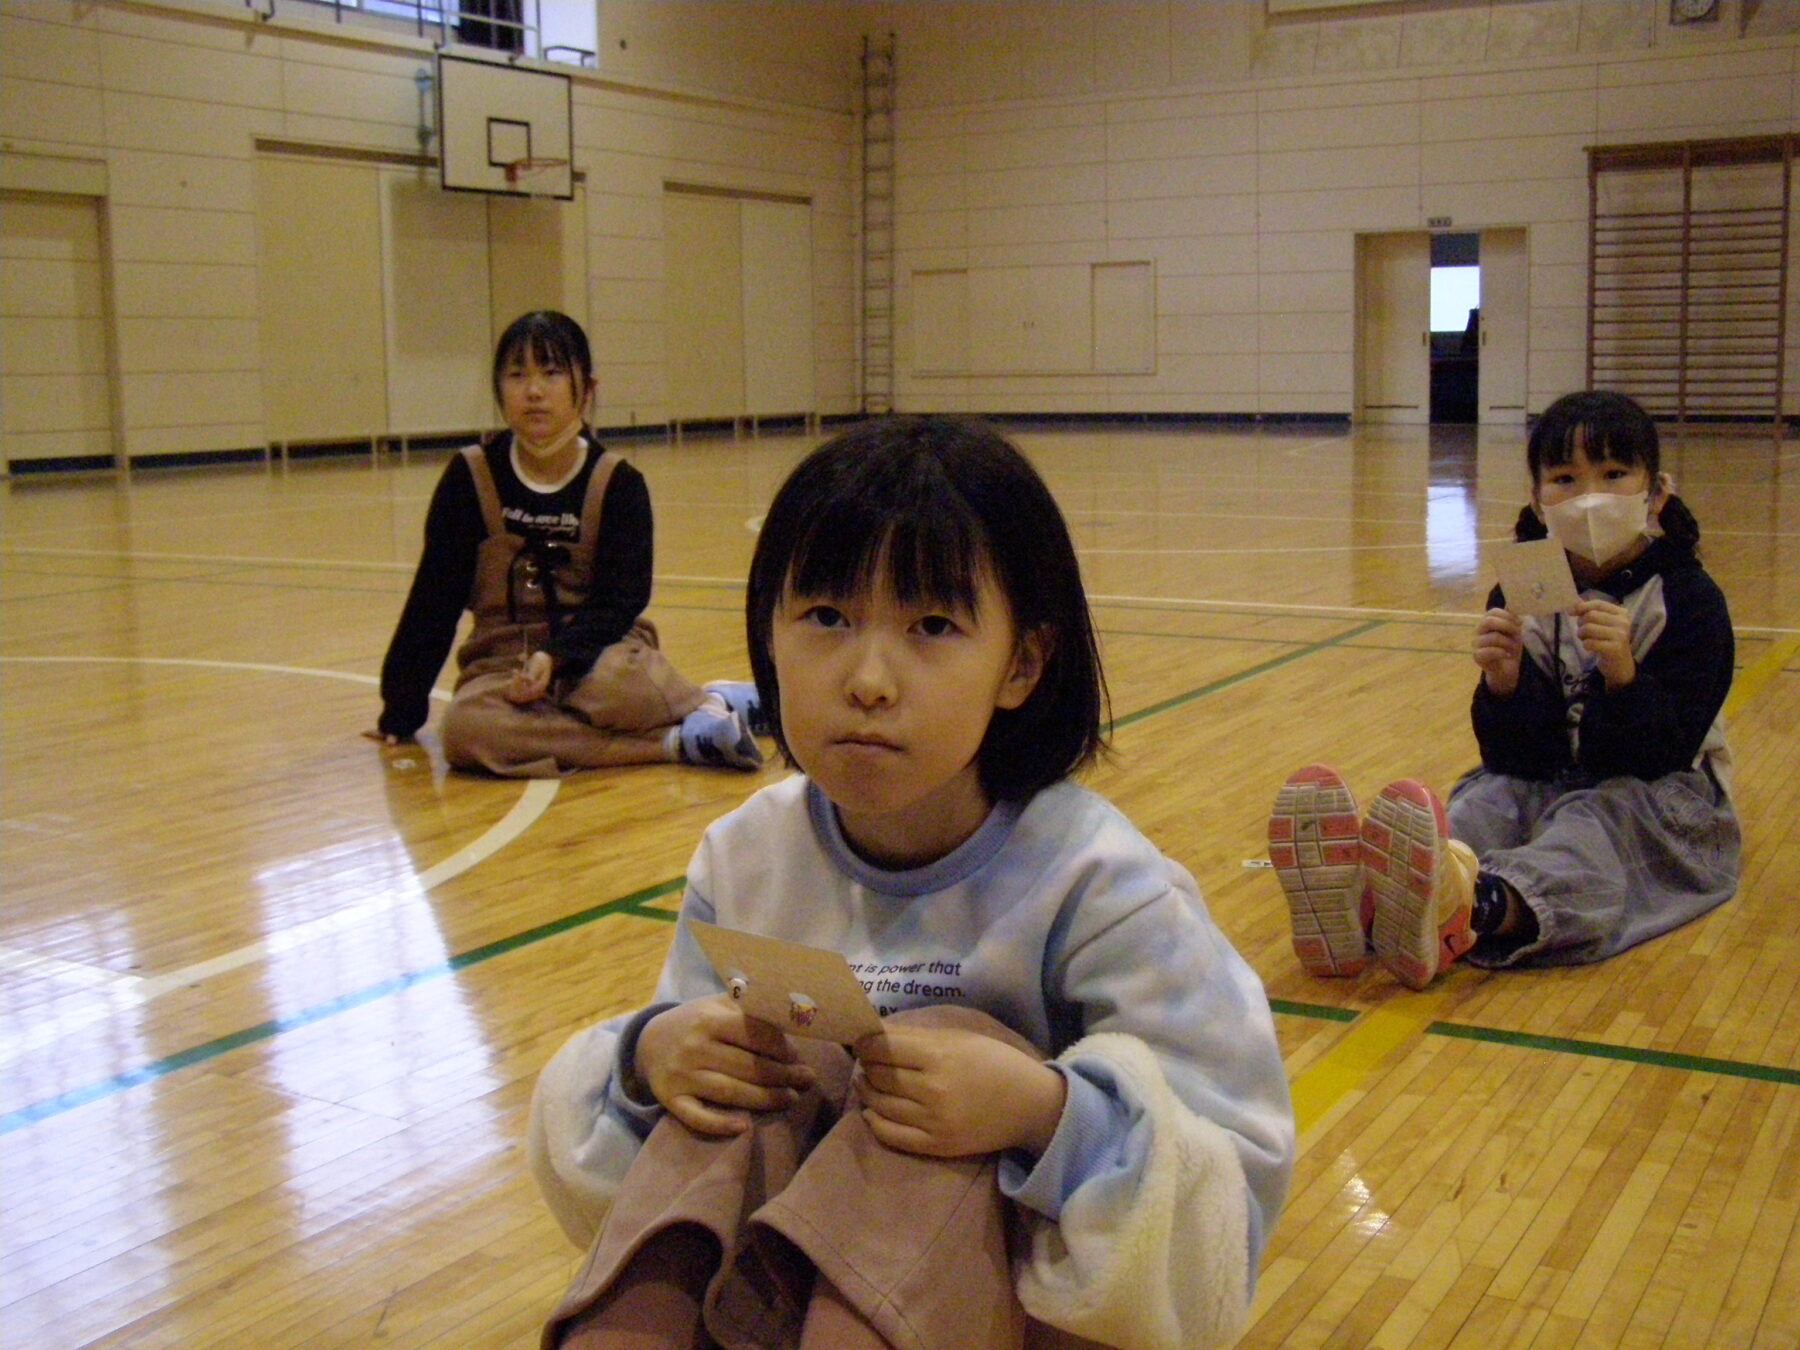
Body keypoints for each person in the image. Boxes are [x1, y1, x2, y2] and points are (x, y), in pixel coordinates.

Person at [528, 417, 1294, 1350]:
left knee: (948, 1044)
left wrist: (1039, 1112)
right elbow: (684, 1119)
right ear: (767, 634)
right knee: (751, 1061)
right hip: (766, 1285)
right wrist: (655, 1056)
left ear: (1021, 663)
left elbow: (1226, 1171)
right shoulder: (747, 855)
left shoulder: (1099, 881)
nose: (869, 679)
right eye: (825, 619)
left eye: (932, 626)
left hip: (1007, 1306)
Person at [1270, 390, 1738, 989]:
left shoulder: (1691, 601)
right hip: (1548, 775)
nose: (1589, 496)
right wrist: (1504, 685)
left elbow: (1661, 753)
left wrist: (1624, 676)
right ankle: (1369, 903)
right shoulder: (1525, 589)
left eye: (1614, 474)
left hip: (1657, 792)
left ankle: (1476, 908)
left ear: (1656, 494)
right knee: (1483, 804)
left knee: (1590, 832)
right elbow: (1515, 757)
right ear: (1539, 504)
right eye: (1565, 479)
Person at [366, 310, 763, 777]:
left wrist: (556, 658)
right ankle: (678, 740)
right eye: (517, 375)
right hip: (502, 665)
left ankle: (711, 699)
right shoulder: (469, 477)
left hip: (598, 656)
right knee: (467, 730)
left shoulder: (618, 482)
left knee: (620, 689)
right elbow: (434, 598)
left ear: (587, 389)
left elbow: (622, 602)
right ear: (499, 390)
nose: (533, 391)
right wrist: (402, 709)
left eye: (551, 373)